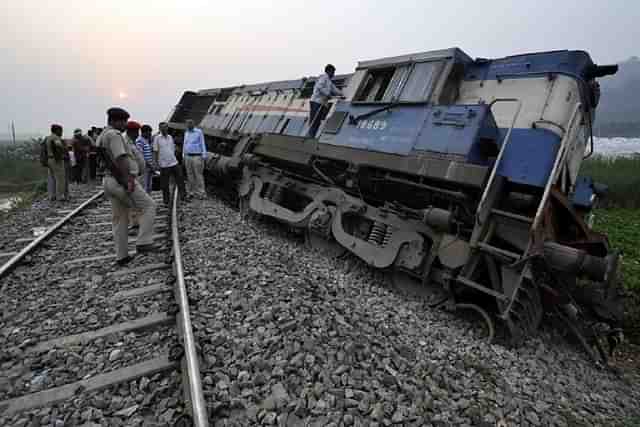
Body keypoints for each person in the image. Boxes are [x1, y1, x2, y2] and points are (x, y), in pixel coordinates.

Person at [96, 107, 157, 266]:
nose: (125, 124)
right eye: (123, 121)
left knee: (119, 219)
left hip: (108, 181)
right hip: (120, 180)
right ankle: (144, 241)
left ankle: (121, 256)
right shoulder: (114, 135)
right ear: (115, 121)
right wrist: (128, 179)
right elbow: (121, 158)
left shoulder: (102, 135)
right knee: (149, 206)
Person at [307, 64, 344, 138]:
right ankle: (309, 135)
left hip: (322, 103)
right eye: (333, 72)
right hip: (316, 102)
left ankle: (312, 135)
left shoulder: (329, 81)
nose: (333, 74)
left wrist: (342, 94)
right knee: (314, 119)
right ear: (329, 71)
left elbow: (335, 89)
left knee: (318, 121)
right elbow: (319, 87)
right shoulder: (323, 78)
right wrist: (327, 94)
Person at [153, 122, 186, 205]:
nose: (164, 129)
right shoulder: (157, 138)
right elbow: (155, 152)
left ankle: (183, 197)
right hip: (164, 165)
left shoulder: (170, 137)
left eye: (166, 127)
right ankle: (166, 201)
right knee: (165, 184)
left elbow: (172, 149)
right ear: (160, 129)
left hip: (174, 162)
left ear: (167, 128)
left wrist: (174, 157)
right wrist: (156, 164)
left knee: (180, 179)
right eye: (162, 128)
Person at [125, 121, 146, 230]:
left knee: (136, 200)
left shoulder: (132, 142)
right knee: (133, 200)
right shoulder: (126, 143)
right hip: (132, 176)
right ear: (130, 132)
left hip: (138, 175)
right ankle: (134, 222)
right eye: (136, 131)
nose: (137, 134)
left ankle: (137, 221)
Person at [182, 119, 207, 198]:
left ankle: (201, 193)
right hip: (188, 156)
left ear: (193, 124)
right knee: (189, 175)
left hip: (197, 156)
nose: (188, 126)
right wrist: (183, 155)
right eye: (187, 124)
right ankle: (191, 192)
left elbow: (202, 143)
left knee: (198, 175)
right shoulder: (186, 133)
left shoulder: (199, 132)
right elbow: (185, 144)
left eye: (190, 124)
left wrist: (204, 155)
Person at [45, 124, 67, 202]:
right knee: (60, 178)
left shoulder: (48, 138)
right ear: (57, 130)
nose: (62, 132)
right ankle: (60, 196)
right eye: (61, 130)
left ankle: (52, 196)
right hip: (56, 160)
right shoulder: (56, 138)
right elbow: (59, 147)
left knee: (51, 178)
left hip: (49, 159)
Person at [136, 125, 155, 193]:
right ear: (144, 132)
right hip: (144, 167)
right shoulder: (139, 141)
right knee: (144, 186)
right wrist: (150, 166)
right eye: (149, 133)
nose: (150, 134)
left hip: (149, 167)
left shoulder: (146, 140)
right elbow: (141, 156)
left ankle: (148, 201)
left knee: (149, 186)